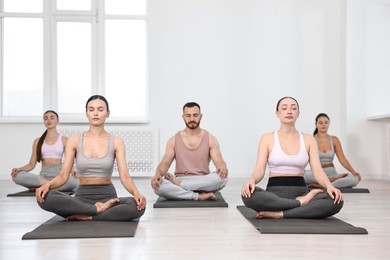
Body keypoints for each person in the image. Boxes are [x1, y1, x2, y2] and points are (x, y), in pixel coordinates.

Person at [35, 95, 146, 221]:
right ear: (86, 113)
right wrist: (47, 186)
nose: (95, 113)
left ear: (107, 113)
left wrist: (137, 194)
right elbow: (63, 175)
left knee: (137, 206)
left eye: (100, 109)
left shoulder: (116, 142)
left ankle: (88, 215)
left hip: (108, 197)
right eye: (91, 109)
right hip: (82, 198)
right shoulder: (74, 140)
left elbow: (125, 176)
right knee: (45, 197)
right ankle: (97, 211)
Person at [241, 97, 343, 219]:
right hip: (274, 194)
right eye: (284, 108)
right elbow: (259, 169)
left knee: (336, 200)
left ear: (298, 114)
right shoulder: (267, 139)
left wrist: (330, 186)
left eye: (293, 108)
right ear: (277, 113)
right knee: (248, 195)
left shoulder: (308, 139)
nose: (289, 111)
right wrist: (251, 180)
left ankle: (281, 213)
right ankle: (300, 204)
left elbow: (317, 170)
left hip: (301, 191)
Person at [151, 102, 228, 201]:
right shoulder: (173, 140)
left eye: (195, 115)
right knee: (158, 187)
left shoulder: (210, 139)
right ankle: (198, 196)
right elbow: (164, 164)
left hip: (203, 180)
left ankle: (182, 187)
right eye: (188, 116)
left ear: (200, 116)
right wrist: (157, 174)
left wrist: (222, 167)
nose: (192, 119)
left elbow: (219, 161)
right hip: (181, 178)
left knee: (223, 179)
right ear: (183, 117)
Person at [11, 110, 78, 192]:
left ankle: (44, 187)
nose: (48, 120)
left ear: (58, 121)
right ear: (44, 121)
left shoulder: (64, 140)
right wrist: (19, 169)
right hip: (43, 177)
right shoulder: (37, 141)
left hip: (59, 176)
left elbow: (69, 161)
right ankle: (50, 185)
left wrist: (73, 170)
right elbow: (31, 164)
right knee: (16, 176)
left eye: (52, 118)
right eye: (46, 118)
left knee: (76, 181)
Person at [304, 113, 361, 188]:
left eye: (326, 122)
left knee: (354, 179)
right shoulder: (311, 139)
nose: (323, 125)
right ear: (316, 124)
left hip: (332, 172)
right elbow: (304, 159)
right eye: (320, 123)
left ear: (329, 124)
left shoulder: (334, 140)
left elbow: (342, 158)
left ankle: (323, 185)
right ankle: (331, 181)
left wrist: (353, 171)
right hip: (316, 173)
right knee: (302, 175)